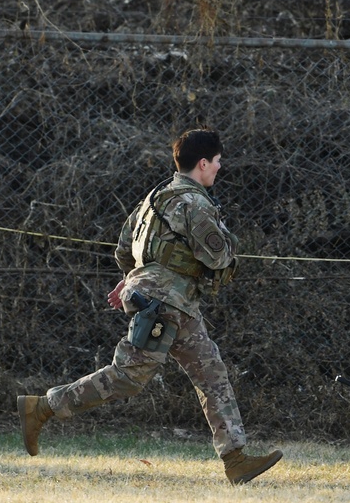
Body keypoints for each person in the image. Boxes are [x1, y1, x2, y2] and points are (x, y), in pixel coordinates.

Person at [17, 129, 282, 484]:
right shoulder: (195, 203)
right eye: (217, 162)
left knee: (212, 373)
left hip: (170, 301)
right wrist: (227, 241)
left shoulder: (154, 197)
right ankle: (43, 407)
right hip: (166, 302)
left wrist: (133, 279)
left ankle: (235, 459)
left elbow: (124, 248)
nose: (220, 168)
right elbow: (218, 257)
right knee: (128, 377)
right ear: (203, 164)